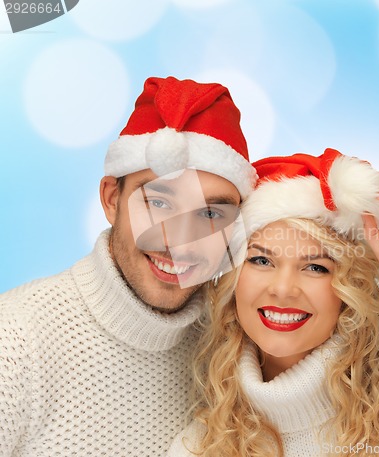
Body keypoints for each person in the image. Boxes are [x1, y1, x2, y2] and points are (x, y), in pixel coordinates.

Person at [168, 149, 379, 456]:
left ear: (349, 286)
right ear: (232, 278)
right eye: (261, 261)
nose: (283, 289)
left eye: (315, 267)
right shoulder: (200, 446)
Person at [0, 76, 257, 456]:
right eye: (160, 202)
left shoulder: (230, 346)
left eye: (208, 213)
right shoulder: (16, 340)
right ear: (111, 199)